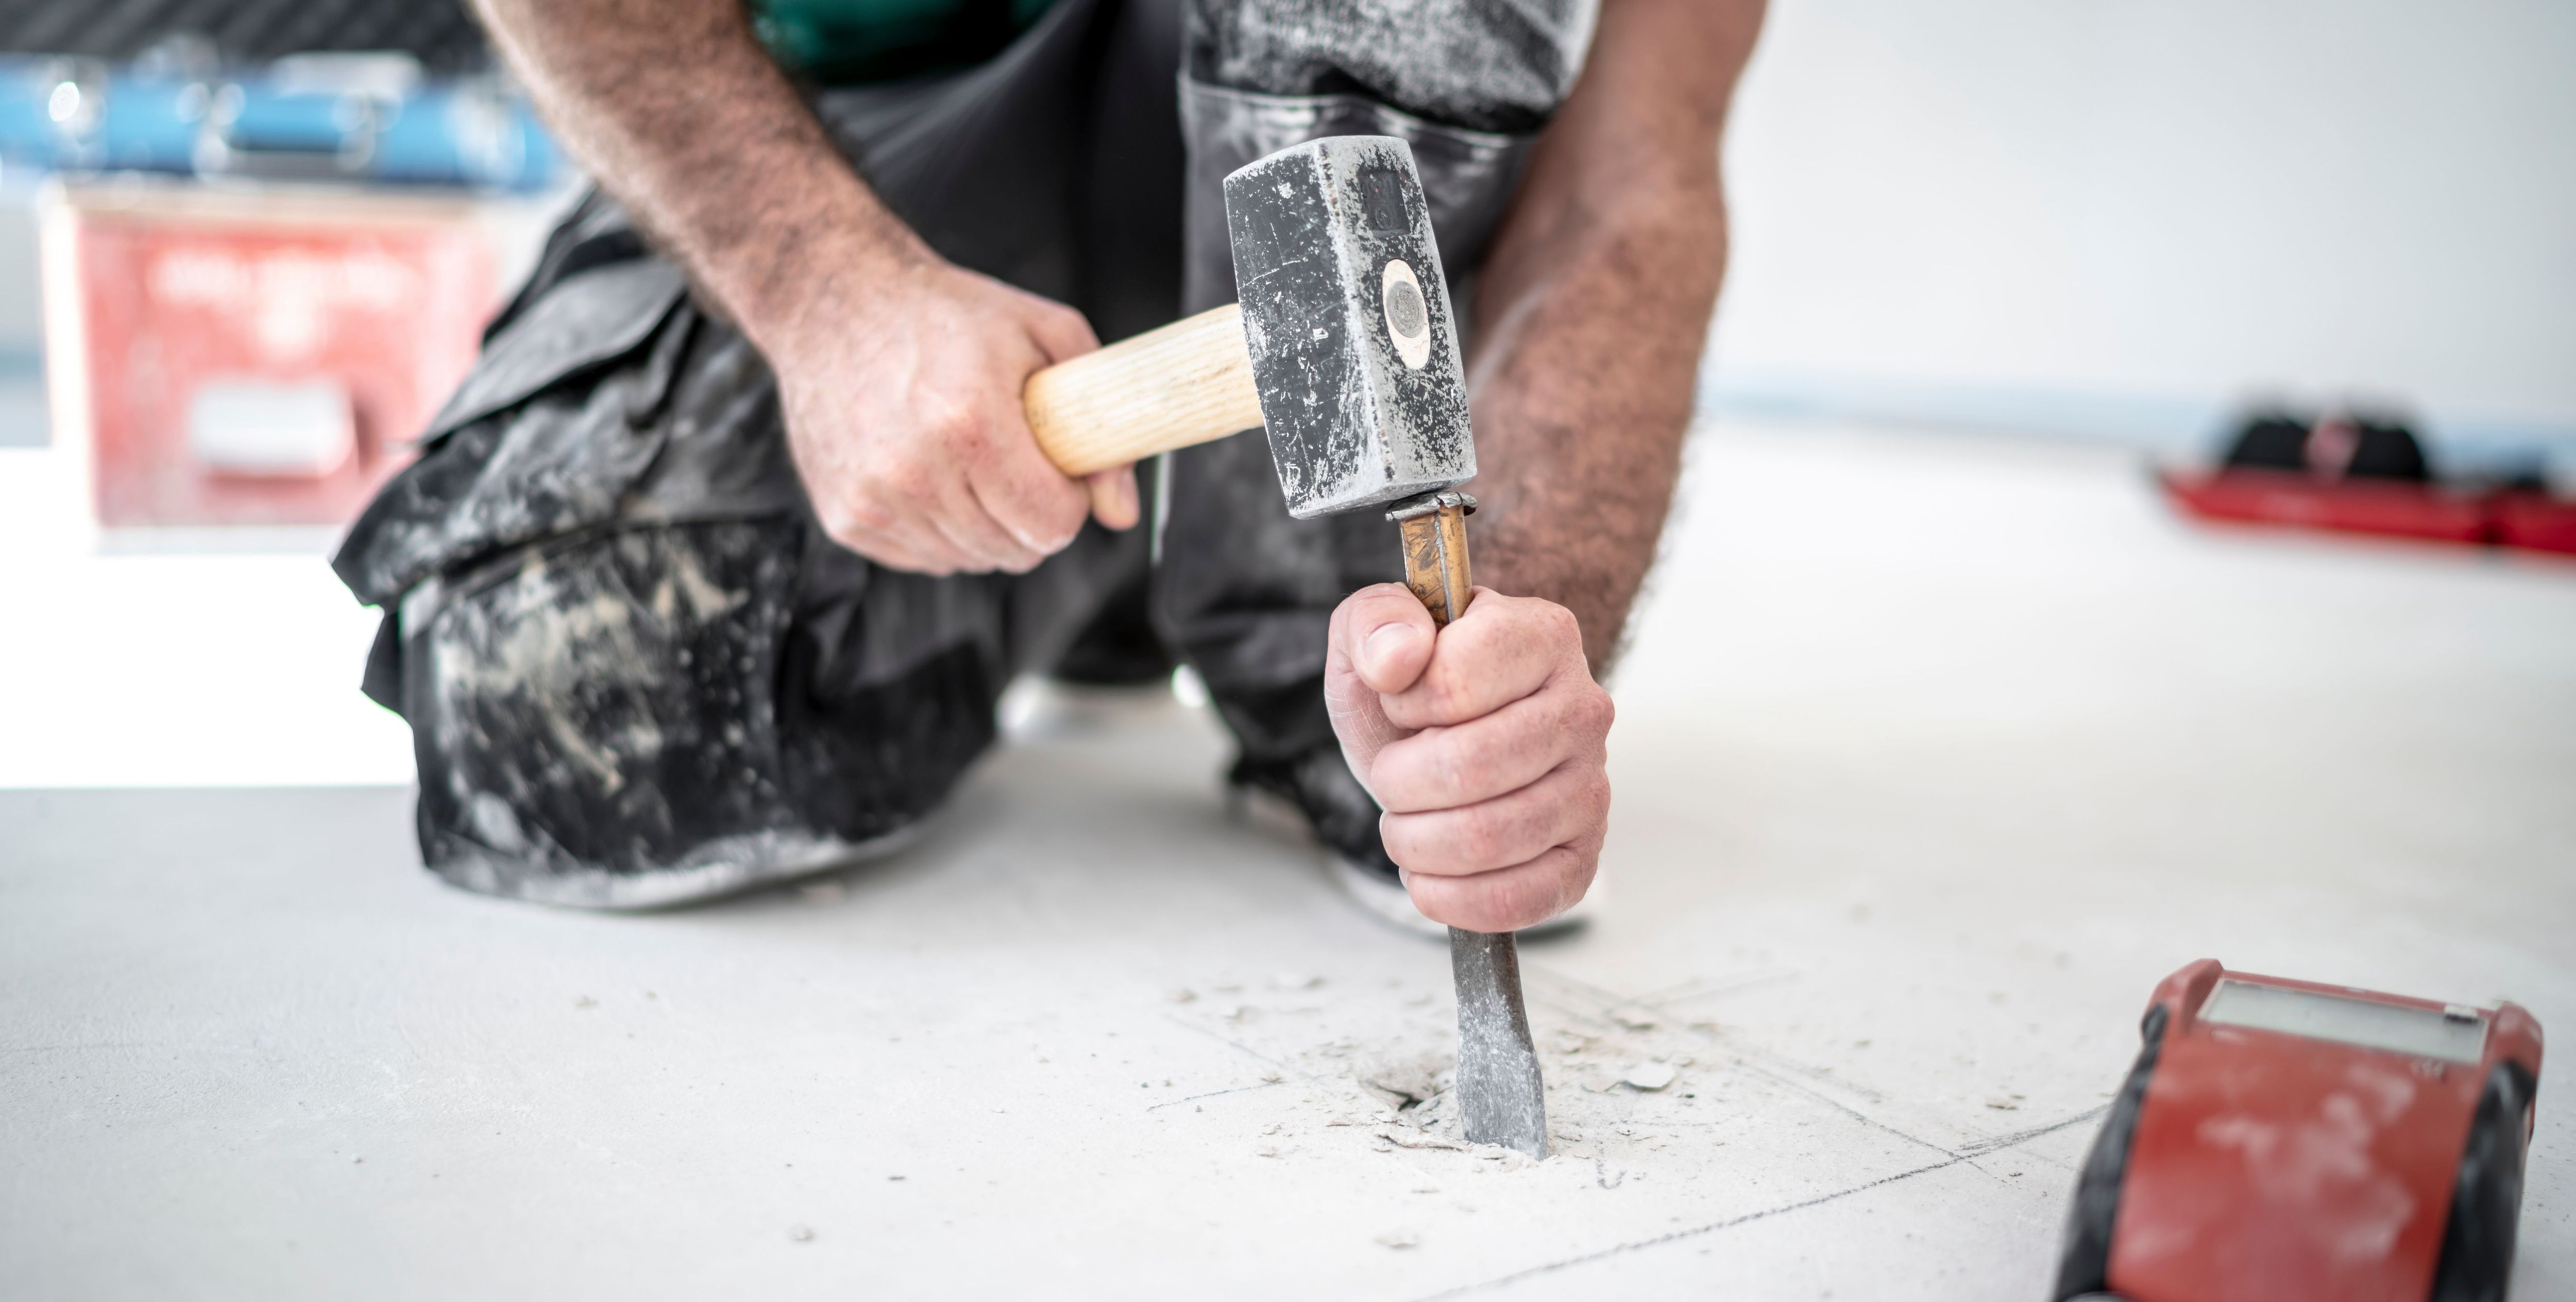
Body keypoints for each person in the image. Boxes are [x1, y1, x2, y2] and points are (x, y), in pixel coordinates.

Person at [331, 0, 1765, 931]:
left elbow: (1638, 173)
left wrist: (1516, 638)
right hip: (860, 141)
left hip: (1300, 114)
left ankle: (1318, 653)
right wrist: (824, 292)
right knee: (587, 700)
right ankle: (1098, 572)